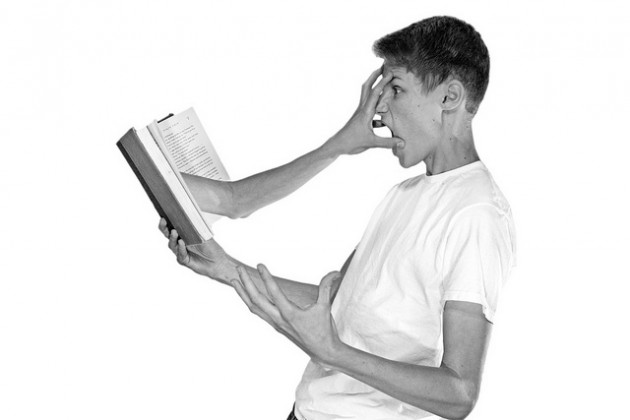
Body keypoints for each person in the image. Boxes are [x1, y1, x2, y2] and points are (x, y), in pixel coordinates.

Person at [160, 16, 516, 420]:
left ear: (449, 97)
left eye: (395, 89)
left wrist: (333, 352)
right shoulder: (404, 193)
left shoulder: (477, 214)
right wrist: (225, 267)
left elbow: (460, 393)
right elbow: (336, 303)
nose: (378, 110)